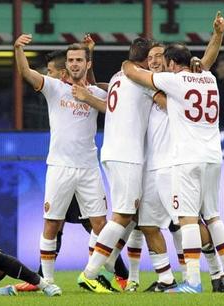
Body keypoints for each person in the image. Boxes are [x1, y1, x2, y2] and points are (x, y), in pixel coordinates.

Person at [122, 32, 224, 293]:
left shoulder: (173, 81)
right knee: (212, 216)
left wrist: (127, 64)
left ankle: (192, 281)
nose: (162, 65)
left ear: (172, 64)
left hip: (187, 159)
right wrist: (217, 36)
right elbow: (208, 61)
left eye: (164, 61)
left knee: (187, 220)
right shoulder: (209, 78)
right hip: (214, 157)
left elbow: (136, 75)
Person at [14, 34, 108, 286]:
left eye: (79, 60)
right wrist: (18, 49)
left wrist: (88, 97)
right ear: (66, 64)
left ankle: (91, 275)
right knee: (52, 223)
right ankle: (47, 280)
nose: (74, 63)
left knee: (101, 225)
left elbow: (113, 109)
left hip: (89, 167)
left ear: (87, 64)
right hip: (60, 166)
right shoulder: (55, 88)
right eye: (70, 60)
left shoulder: (97, 93)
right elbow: (26, 73)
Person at [76, 37, 157, 294]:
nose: (157, 61)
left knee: (132, 215)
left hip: (113, 152)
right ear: (144, 59)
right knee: (123, 215)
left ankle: (112, 264)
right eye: (154, 57)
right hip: (127, 155)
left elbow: (109, 105)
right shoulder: (141, 78)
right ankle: (90, 273)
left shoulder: (118, 77)